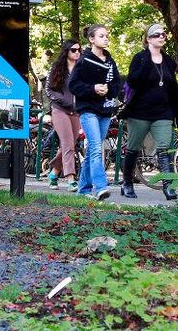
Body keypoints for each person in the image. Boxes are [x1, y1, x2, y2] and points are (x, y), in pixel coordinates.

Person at [120, 24, 178, 200]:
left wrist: (177, 111)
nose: (161, 37)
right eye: (156, 35)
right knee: (133, 148)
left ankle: (168, 186)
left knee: (164, 148)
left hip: (162, 113)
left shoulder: (169, 61)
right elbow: (132, 80)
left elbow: (173, 87)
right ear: (148, 39)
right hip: (139, 112)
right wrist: (148, 59)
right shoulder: (140, 58)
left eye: (163, 34)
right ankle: (127, 183)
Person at [68, 24, 123, 201]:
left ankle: (83, 190)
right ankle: (100, 187)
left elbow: (117, 84)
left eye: (107, 36)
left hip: (105, 111)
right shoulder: (84, 60)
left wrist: (108, 89)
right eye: (101, 36)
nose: (106, 39)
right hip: (88, 110)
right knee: (96, 148)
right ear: (92, 39)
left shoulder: (110, 61)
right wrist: (93, 88)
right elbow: (73, 85)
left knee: (93, 149)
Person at [45, 39, 83, 192]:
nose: (77, 53)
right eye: (74, 50)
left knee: (69, 145)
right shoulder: (57, 68)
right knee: (67, 144)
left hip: (76, 112)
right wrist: (65, 102)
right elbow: (49, 90)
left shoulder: (81, 70)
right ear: (66, 51)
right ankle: (70, 178)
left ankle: (53, 173)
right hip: (60, 110)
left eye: (79, 50)